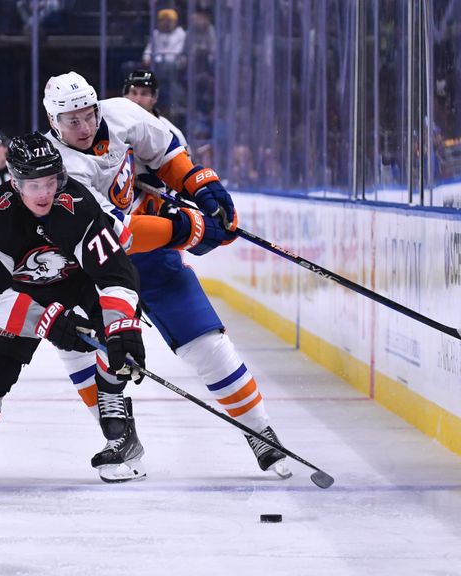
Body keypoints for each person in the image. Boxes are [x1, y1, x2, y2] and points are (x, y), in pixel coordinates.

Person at [43, 71, 292, 478]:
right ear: (54, 122)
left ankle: (260, 430)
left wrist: (200, 184)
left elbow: (166, 154)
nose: (84, 126)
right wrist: (187, 228)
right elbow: (113, 237)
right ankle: (119, 439)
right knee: (82, 351)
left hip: (151, 255)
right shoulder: (60, 170)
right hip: (91, 268)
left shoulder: (122, 114)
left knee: (206, 342)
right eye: (72, 121)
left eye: (88, 114)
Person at [0, 132, 146, 486]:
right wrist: (50, 324)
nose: (43, 193)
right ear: (14, 181)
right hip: (26, 295)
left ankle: (120, 429)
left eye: (50, 182)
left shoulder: (79, 204)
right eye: (32, 184)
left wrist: (124, 329)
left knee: (115, 336)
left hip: (80, 284)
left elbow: (115, 271)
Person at [123, 69, 188, 154]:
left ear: (154, 97)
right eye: (134, 93)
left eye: (144, 94)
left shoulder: (172, 134)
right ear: (125, 96)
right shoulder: (112, 127)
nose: (138, 100)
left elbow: (185, 167)